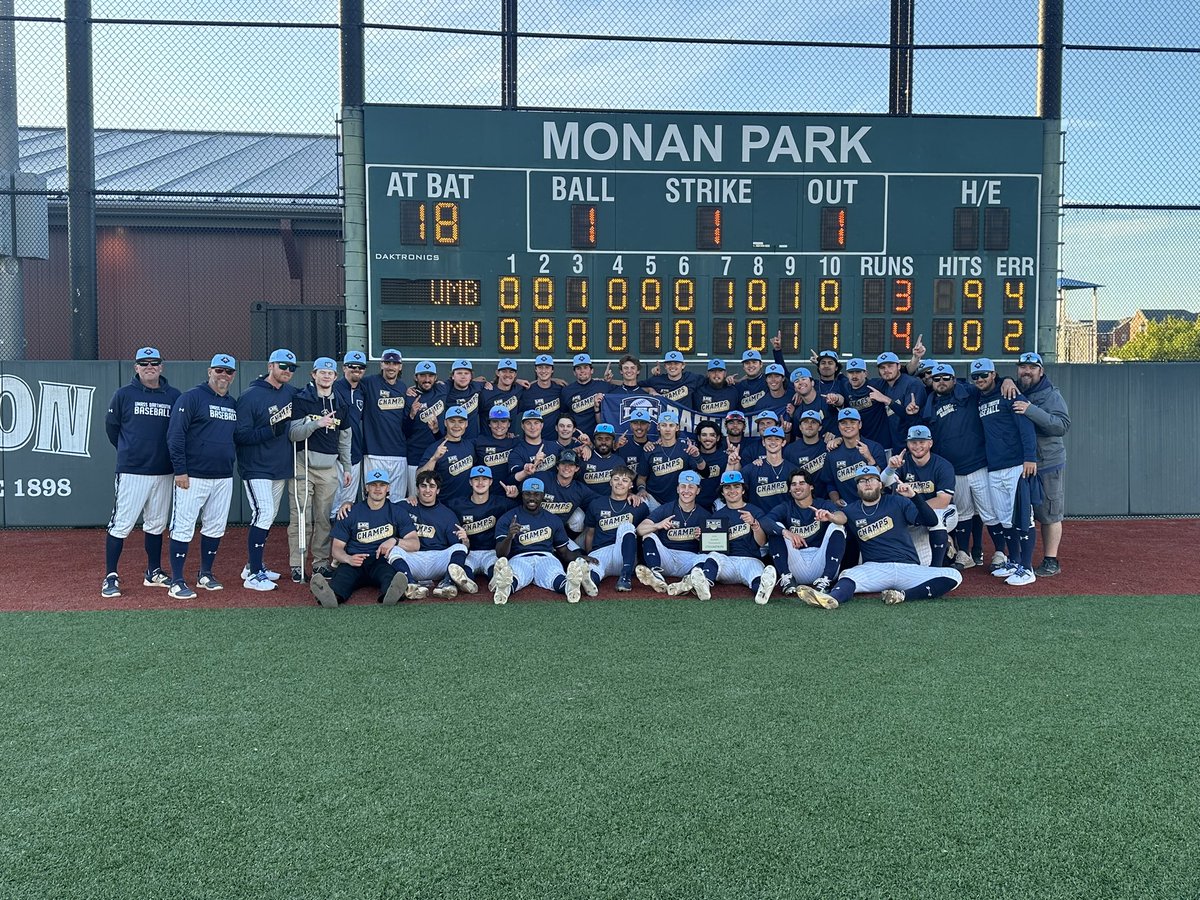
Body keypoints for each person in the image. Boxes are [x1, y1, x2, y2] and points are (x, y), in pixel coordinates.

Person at [796, 465, 963, 608]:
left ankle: (902, 595)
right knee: (848, 575)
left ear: (880, 484)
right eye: (862, 480)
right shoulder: (852, 509)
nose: (867, 483)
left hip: (907, 567)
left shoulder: (897, 502)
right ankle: (831, 599)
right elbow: (841, 517)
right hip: (875, 568)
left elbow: (931, 520)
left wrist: (914, 497)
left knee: (953, 575)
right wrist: (831, 517)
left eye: (871, 479)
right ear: (857, 487)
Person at [101, 346, 182, 598]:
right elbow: (112, 429)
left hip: (164, 470)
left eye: (154, 362)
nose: (149, 366)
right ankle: (111, 576)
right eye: (144, 363)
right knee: (121, 524)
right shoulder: (124, 394)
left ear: (161, 366)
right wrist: (130, 451)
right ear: (136, 367)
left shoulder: (174, 395)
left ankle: (154, 572)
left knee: (156, 524)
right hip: (133, 471)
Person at [164, 354, 240, 599]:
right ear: (209, 371)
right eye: (219, 370)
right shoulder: (192, 397)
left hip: (223, 476)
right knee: (183, 528)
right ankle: (176, 580)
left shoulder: (231, 403)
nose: (224, 376)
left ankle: (205, 574)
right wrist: (181, 471)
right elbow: (175, 436)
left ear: (233, 376)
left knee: (215, 527)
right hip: (193, 476)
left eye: (228, 372)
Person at [309, 469, 420, 608]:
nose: (378, 489)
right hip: (354, 561)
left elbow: (415, 543)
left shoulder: (397, 512)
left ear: (388, 488)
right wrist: (348, 559)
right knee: (342, 579)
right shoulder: (351, 512)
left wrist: (395, 541)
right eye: (373, 485)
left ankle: (391, 595)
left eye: (382, 485)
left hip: (381, 560)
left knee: (390, 577)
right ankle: (330, 597)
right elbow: (336, 549)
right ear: (366, 487)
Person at [234, 347, 298, 591]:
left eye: (292, 368)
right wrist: (271, 431)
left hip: (280, 466)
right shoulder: (250, 396)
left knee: (267, 516)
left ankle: (253, 566)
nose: (287, 371)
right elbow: (240, 435)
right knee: (263, 513)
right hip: (256, 467)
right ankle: (253, 575)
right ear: (270, 366)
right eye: (283, 366)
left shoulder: (291, 393)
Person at [971, 358, 1039, 586]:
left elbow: (1026, 426)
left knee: (1022, 517)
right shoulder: (979, 397)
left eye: (984, 375)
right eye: (976, 376)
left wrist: (1030, 457)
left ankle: (1027, 568)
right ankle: (1014, 560)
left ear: (994, 374)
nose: (980, 379)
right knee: (1003, 517)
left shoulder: (1010, 393)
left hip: (1016, 465)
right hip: (994, 467)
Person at [287, 356, 352, 582]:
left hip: (328, 468)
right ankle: (297, 564)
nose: (326, 376)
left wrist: (347, 467)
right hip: (303, 465)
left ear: (336, 376)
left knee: (324, 519)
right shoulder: (302, 399)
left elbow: (345, 439)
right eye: (321, 372)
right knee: (301, 517)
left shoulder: (342, 403)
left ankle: (320, 563)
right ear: (313, 375)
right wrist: (316, 424)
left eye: (330, 372)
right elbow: (293, 434)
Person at [922, 362, 991, 569]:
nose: (941, 382)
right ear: (931, 381)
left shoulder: (969, 391)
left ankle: (996, 553)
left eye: (945, 378)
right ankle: (965, 553)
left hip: (978, 463)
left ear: (954, 379)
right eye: (936, 379)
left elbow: (990, 386)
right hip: (954, 468)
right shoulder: (930, 403)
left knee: (988, 512)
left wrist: (1007, 381)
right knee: (964, 511)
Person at [491, 477, 594, 604]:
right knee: (515, 574)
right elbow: (500, 554)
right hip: (520, 557)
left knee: (554, 573)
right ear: (522, 495)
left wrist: (580, 557)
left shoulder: (552, 519)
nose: (532, 498)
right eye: (528, 494)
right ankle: (504, 589)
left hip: (546, 557)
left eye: (536, 494)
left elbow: (563, 552)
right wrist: (509, 536)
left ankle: (570, 587)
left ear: (543, 496)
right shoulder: (509, 518)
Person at [1013, 351, 1071, 576]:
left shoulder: (1050, 394)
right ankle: (1017, 558)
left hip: (1047, 462)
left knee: (1049, 513)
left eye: (1032, 368)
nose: (1026, 372)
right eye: (1023, 367)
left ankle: (1051, 560)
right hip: (1022, 464)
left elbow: (1061, 426)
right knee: (1020, 514)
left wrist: (1031, 411)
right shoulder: (1014, 388)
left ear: (1041, 371)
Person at [763, 471, 846, 606]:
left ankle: (826, 582)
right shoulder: (787, 506)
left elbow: (843, 518)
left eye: (802, 483)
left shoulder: (823, 504)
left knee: (837, 527)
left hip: (822, 563)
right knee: (776, 528)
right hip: (797, 564)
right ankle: (786, 578)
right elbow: (765, 521)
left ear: (811, 486)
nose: (797, 487)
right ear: (789, 489)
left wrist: (831, 517)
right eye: (794, 484)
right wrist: (786, 532)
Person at [694, 471, 778, 605]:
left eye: (736, 486)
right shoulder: (717, 516)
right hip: (728, 561)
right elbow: (711, 547)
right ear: (722, 492)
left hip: (750, 559)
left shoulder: (754, 511)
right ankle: (704, 584)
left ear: (743, 490)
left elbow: (761, 542)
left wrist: (754, 524)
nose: (732, 490)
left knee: (756, 574)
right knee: (713, 556)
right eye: (727, 487)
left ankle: (762, 591)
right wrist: (702, 538)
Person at [635, 470, 719, 600]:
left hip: (689, 559)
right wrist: (658, 525)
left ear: (698, 491)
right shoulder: (666, 509)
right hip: (666, 557)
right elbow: (640, 530)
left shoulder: (705, 515)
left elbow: (713, 546)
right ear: (678, 489)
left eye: (691, 487)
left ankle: (687, 582)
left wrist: (702, 539)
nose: (686, 491)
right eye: (683, 486)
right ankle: (656, 575)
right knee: (648, 535)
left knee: (709, 558)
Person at [882, 425, 958, 567]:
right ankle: (944, 544)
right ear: (908, 444)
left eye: (922, 442)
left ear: (930, 443)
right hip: (916, 517)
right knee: (921, 563)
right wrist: (890, 468)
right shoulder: (902, 462)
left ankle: (937, 569)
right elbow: (882, 484)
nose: (917, 446)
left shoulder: (943, 465)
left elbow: (943, 501)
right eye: (913, 442)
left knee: (937, 520)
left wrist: (913, 511)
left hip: (943, 511)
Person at [403, 471, 474, 599]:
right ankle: (411, 584)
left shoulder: (447, 514)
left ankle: (447, 583)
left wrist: (466, 541)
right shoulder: (405, 506)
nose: (427, 490)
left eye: (432, 486)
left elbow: (461, 547)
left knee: (460, 548)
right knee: (394, 549)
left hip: (437, 560)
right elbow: (384, 508)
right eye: (423, 486)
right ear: (417, 489)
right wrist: (407, 498)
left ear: (438, 490)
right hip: (414, 559)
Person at [447, 465, 517, 593]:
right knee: (463, 570)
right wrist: (412, 498)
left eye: (484, 479)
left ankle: (496, 580)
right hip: (470, 551)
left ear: (490, 482)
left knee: (495, 567)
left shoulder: (501, 503)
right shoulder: (457, 504)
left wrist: (515, 496)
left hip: (491, 552)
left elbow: (523, 508)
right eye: (476, 479)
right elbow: (435, 506)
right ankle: (467, 583)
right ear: (470, 482)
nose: (480, 483)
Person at [581, 465, 648, 592]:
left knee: (627, 526)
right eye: (616, 479)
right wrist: (589, 554)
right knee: (592, 571)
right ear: (610, 481)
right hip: (601, 552)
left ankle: (626, 577)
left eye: (625, 480)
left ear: (631, 485)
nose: (620, 483)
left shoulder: (639, 506)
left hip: (624, 556)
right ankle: (587, 584)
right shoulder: (597, 504)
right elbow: (590, 533)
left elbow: (645, 535)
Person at [361, 348, 411, 496]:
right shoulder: (369, 382)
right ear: (381, 364)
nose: (391, 366)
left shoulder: (403, 388)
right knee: (372, 497)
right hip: (374, 452)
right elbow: (349, 383)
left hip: (399, 453)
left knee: (397, 499)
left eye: (395, 363)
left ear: (400, 366)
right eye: (387, 363)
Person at [821, 408, 886, 508]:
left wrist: (869, 458)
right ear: (838, 426)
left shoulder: (874, 448)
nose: (848, 426)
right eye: (843, 423)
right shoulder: (832, 455)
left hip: (877, 505)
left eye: (852, 422)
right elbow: (830, 483)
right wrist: (835, 500)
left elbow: (882, 479)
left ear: (860, 425)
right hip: (850, 509)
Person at [330, 350, 368, 517]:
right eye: (352, 366)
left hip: (354, 453)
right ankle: (329, 541)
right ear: (344, 368)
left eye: (360, 367)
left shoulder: (363, 390)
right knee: (332, 501)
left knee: (348, 501)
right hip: (333, 452)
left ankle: (343, 540)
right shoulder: (333, 388)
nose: (356, 370)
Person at [416, 404, 477, 504]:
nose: (456, 426)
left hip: (467, 505)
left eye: (461, 422)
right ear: (445, 423)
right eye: (452, 421)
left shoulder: (471, 445)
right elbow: (418, 476)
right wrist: (434, 459)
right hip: (444, 505)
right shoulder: (435, 448)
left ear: (466, 424)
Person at [637, 410, 699, 507]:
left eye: (671, 425)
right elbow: (641, 478)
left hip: (679, 500)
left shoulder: (685, 449)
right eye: (664, 425)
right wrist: (641, 489)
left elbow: (702, 473)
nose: (667, 429)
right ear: (658, 427)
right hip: (653, 499)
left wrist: (697, 456)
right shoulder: (650, 449)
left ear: (677, 427)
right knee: (640, 501)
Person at [403, 360, 447, 494]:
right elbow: (404, 432)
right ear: (416, 377)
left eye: (430, 376)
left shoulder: (442, 389)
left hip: (437, 455)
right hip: (415, 456)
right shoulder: (409, 397)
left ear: (435, 378)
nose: (427, 379)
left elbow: (462, 380)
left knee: (436, 496)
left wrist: (483, 381)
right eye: (422, 375)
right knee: (416, 497)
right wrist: (411, 414)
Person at [732, 425, 796, 509]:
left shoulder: (794, 470)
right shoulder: (751, 469)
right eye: (769, 439)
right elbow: (732, 487)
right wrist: (732, 464)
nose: (773, 442)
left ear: (783, 443)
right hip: (758, 519)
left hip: (786, 520)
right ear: (763, 442)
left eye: (777, 439)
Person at [508, 409, 562, 486]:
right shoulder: (517, 451)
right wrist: (532, 465)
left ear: (541, 425)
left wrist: (584, 447)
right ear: (522, 426)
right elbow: (511, 480)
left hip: (553, 494)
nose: (532, 427)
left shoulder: (555, 446)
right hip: (531, 495)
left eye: (536, 423)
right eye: (528, 423)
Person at [474, 406, 518, 497]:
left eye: (503, 421)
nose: (499, 425)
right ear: (489, 424)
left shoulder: (516, 443)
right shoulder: (479, 442)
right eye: (495, 421)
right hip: (486, 495)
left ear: (509, 424)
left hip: (510, 494)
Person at [559, 353, 609, 435]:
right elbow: (564, 415)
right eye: (578, 368)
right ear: (574, 372)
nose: (582, 371)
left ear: (592, 370)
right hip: (575, 437)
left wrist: (611, 381)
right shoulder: (566, 391)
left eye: (585, 367)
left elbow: (625, 386)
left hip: (598, 437)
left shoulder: (603, 386)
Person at [441, 359, 484, 440]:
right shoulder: (445, 390)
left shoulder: (477, 386)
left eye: (466, 373)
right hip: (451, 440)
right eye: (459, 373)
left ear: (471, 376)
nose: (463, 376)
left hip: (472, 440)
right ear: (453, 376)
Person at [519, 353, 563, 427]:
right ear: (535, 369)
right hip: (532, 437)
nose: (543, 371)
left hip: (555, 437)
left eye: (547, 367)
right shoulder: (527, 391)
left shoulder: (560, 389)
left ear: (552, 370)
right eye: (540, 367)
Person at [480, 358, 524, 424]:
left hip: (510, 434)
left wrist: (519, 381)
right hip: (488, 434)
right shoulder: (486, 392)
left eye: (511, 372)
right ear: (497, 373)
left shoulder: (518, 389)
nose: (507, 375)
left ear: (515, 375)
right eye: (504, 371)